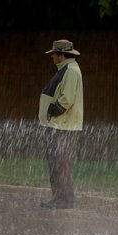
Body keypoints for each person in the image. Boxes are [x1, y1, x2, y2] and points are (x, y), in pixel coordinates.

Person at [39, 39, 83, 209]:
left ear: (61, 55)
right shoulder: (67, 69)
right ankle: (60, 197)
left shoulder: (71, 71)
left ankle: (64, 199)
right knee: (56, 162)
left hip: (64, 126)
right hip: (59, 125)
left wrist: (53, 110)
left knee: (61, 163)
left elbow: (67, 99)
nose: (52, 58)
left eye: (54, 55)